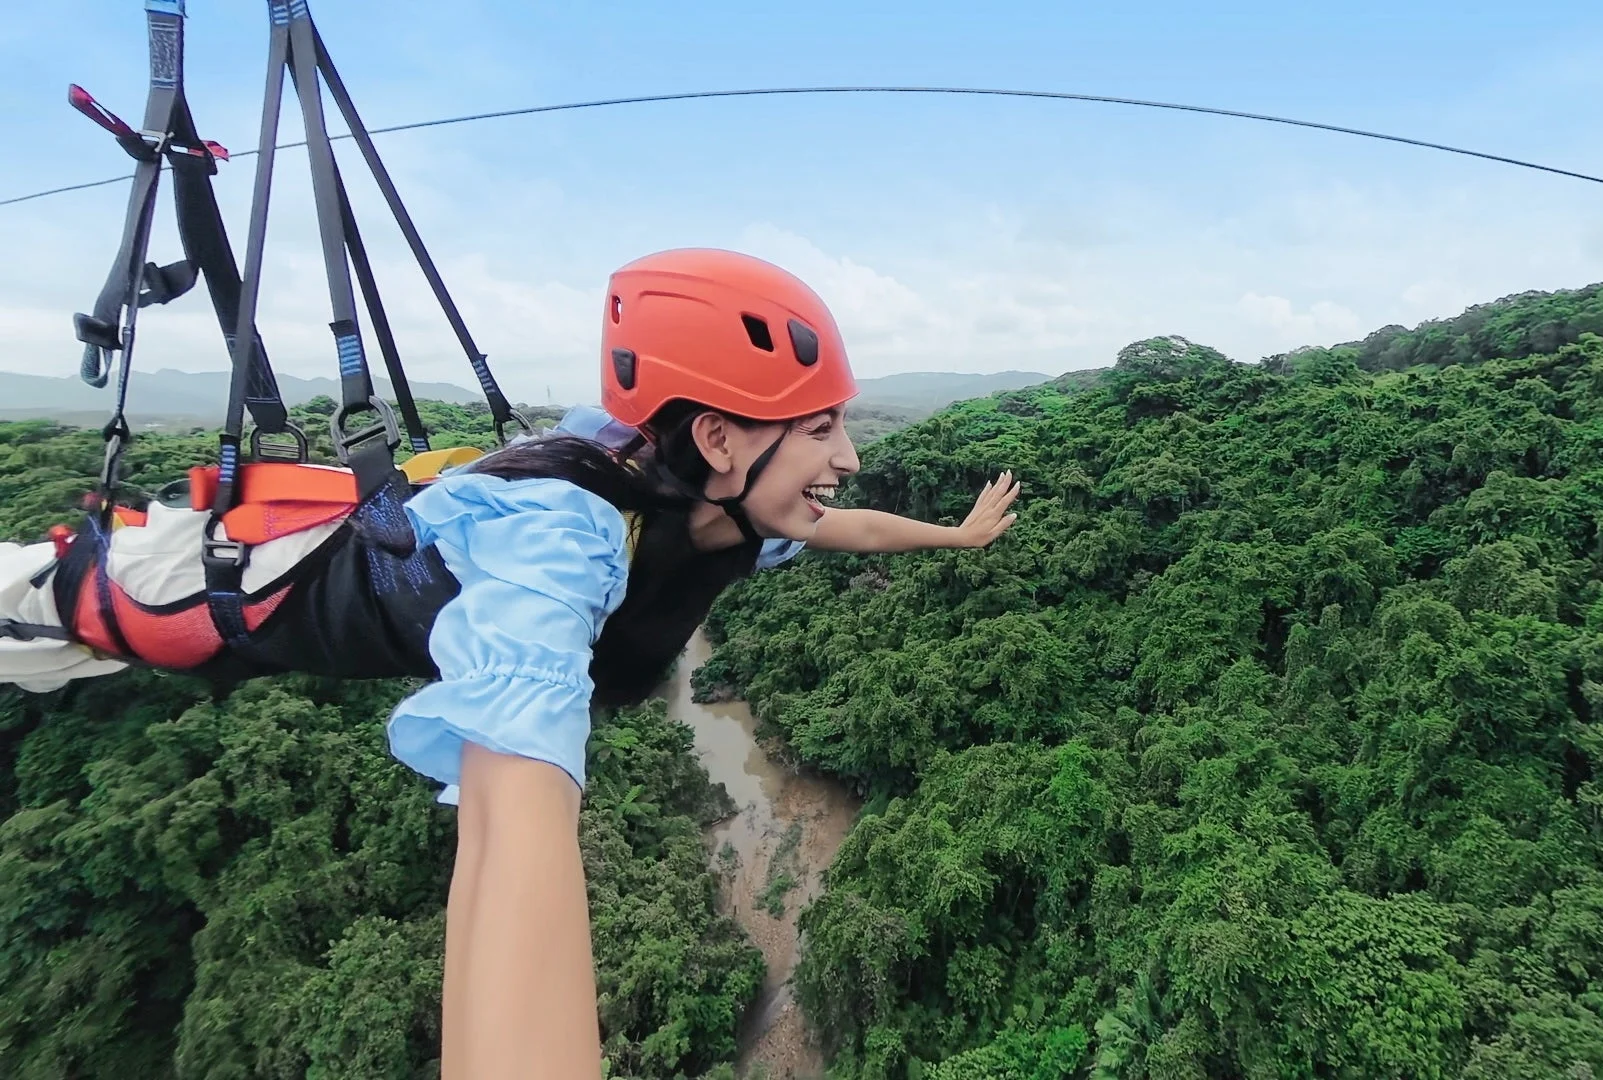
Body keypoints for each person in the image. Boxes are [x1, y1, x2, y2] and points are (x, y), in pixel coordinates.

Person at [0, 247, 1021, 1077]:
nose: (847, 457)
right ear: (717, 437)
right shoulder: (561, 543)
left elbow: (846, 527)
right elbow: (512, 825)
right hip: (207, 587)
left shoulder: (719, 506)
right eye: (822, 428)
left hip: (290, 567)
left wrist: (957, 536)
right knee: (49, 605)